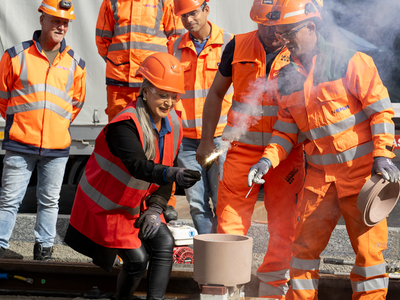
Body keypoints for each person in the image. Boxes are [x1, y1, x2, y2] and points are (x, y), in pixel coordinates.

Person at [248, 0, 400, 299]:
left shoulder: (352, 61)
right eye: (280, 34)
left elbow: (380, 113)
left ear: (312, 27)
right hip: (319, 181)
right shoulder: (288, 78)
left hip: (361, 178)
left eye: (289, 33)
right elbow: (286, 131)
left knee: (369, 258)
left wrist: (383, 154)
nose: (285, 41)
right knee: (303, 252)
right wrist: (266, 162)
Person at [64, 52, 201, 300]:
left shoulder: (174, 122)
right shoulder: (124, 124)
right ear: (145, 90)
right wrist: (172, 173)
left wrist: (156, 207)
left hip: (136, 206)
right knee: (138, 259)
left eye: (173, 96)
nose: (169, 102)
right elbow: (138, 166)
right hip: (106, 208)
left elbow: (165, 169)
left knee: (164, 244)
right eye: (162, 94)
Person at [196, 0, 305, 298]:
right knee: (229, 224)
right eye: (263, 26)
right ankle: (225, 290)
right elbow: (216, 93)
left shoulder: (300, 50)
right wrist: (207, 139)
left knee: (284, 229)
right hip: (241, 151)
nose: (270, 33)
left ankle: (272, 293)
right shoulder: (237, 45)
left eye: (275, 26)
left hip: (285, 155)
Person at [0, 0, 86, 261]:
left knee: (50, 202)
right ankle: (0, 248)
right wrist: (23, 124)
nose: (61, 26)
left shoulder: (76, 64)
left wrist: (55, 128)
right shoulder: (15, 55)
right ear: (42, 20)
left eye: (65, 22)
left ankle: (44, 251)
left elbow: (76, 104)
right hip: (20, 143)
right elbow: (3, 97)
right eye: (55, 20)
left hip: (57, 147)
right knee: (9, 200)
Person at [169, 0, 233, 234]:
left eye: (193, 13)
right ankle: (209, 250)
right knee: (196, 204)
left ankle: (226, 253)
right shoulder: (174, 47)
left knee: (223, 201)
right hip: (186, 140)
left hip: (220, 137)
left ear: (207, 9)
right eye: (183, 16)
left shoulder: (229, 43)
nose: (188, 20)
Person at [96, 0, 186, 122]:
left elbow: (176, 38)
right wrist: (116, 62)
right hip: (120, 81)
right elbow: (102, 38)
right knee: (119, 128)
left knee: (154, 129)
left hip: (154, 81)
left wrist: (163, 69)